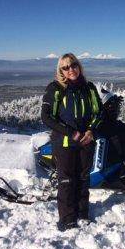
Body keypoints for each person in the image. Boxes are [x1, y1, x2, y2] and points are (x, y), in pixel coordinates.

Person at [41, 53, 103, 231]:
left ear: (79, 66)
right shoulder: (56, 88)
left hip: (86, 141)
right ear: (60, 70)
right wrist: (71, 133)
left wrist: (91, 130)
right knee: (67, 180)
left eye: (73, 65)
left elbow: (99, 113)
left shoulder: (89, 88)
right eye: (65, 67)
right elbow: (46, 117)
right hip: (64, 142)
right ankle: (67, 219)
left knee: (83, 179)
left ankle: (82, 213)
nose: (71, 69)